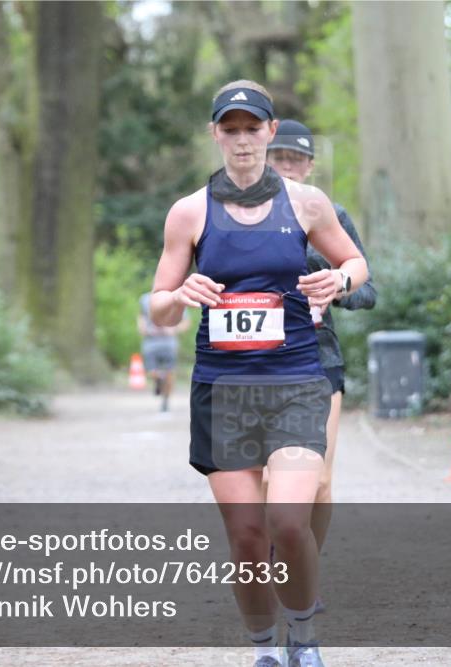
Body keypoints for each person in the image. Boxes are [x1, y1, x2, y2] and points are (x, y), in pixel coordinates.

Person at [149, 80, 368, 667]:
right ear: (215, 135)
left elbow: (355, 260)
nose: (242, 140)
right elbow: (158, 304)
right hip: (224, 393)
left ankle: (304, 638)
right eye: (231, 129)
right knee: (247, 539)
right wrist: (180, 293)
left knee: (289, 520)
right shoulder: (190, 211)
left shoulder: (308, 203)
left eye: (253, 128)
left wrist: (340, 280)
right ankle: (264, 651)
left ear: (271, 133)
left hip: (297, 382)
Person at [265, 119, 376, 613]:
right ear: (265, 159)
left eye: (296, 159)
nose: (287, 166)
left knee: (322, 483)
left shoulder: (329, 214)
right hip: (258, 363)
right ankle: (285, 555)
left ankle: (303, 567)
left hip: (318, 357)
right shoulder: (237, 216)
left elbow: (367, 287)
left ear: (310, 166)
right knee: (271, 481)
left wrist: (336, 284)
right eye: (279, 157)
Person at [137, 291, 189, 411]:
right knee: (151, 371)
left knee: (170, 373)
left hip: (169, 342)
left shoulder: (178, 297)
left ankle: (166, 401)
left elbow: (186, 322)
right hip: (151, 342)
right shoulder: (145, 299)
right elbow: (141, 317)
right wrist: (142, 328)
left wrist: (175, 330)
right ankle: (158, 380)